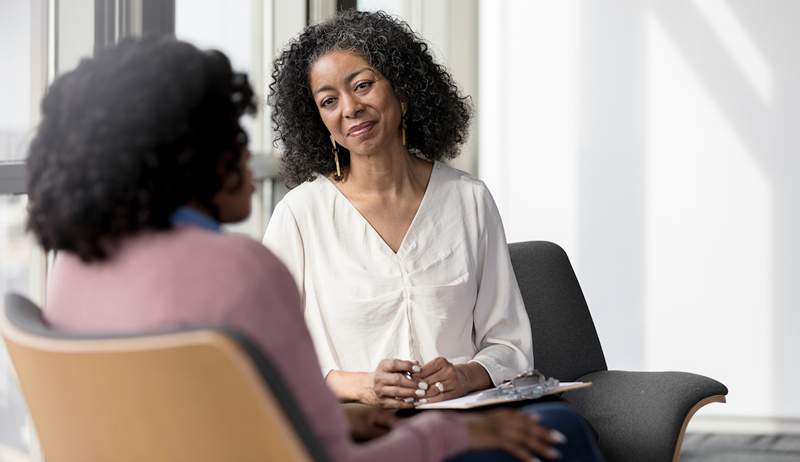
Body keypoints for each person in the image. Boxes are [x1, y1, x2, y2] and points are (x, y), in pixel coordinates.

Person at [26, 36, 603, 461]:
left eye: (362, 86)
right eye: (232, 138)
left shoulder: (74, 270)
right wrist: (451, 431)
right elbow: (311, 440)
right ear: (186, 156)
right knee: (561, 433)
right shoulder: (248, 262)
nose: (253, 163)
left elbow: (261, 409)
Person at [264, 10, 531, 408]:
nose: (350, 108)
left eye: (363, 85)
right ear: (317, 119)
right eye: (328, 101)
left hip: (465, 420)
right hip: (360, 428)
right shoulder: (300, 215)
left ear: (402, 90)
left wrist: (465, 375)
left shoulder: (469, 200)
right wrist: (358, 386)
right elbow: (266, 353)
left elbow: (509, 345)